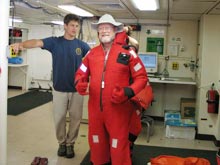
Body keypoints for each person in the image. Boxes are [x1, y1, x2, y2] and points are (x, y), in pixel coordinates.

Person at [10, 14, 90, 159]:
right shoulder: (55, 42)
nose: (74, 28)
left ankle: (70, 144)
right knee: (59, 118)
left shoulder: (82, 46)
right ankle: (62, 143)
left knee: (75, 119)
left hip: (77, 90)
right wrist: (21, 45)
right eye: (72, 25)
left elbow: (93, 59)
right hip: (59, 89)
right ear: (65, 26)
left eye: (77, 26)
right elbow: (36, 42)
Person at [75, 14, 148, 165]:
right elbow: (80, 73)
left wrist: (127, 92)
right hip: (95, 111)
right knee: (97, 145)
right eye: (101, 28)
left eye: (107, 28)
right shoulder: (91, 54)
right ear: (98, 32)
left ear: (115, 30)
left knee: (118, 147)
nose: (104, 31)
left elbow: (141, 77)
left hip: (118, 110)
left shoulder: (128, 53)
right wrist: (79, 83)